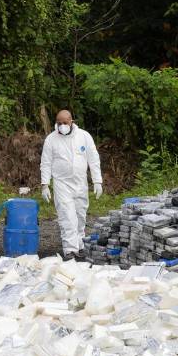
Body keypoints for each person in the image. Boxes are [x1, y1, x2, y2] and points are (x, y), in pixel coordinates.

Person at [40, 110, 102, 261]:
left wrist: (97, 181)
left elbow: (93, 159)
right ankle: (70, 250)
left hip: (80, 183)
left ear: (71, 121)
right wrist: (45, 184)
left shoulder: (84, 136)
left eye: (65, 123)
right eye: (59, 123)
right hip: (62, 184)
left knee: (80, 216)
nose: (62, 126)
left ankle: (80, 245)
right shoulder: (51, 139)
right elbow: (46, 162)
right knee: (67, 217)